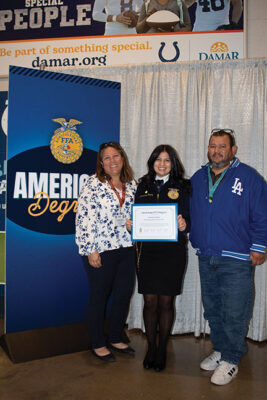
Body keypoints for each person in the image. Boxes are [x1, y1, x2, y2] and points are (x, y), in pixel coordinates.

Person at [190, 129, 267, 385]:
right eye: (212, 146)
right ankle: (221, 350)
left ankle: (232, 359)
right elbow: (188, 212)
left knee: (235, 311)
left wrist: (259, 245)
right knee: (213, 309)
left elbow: (261, 215)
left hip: (236, 258)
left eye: (222, 146)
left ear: (233, 150)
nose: (216, 150)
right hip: (206, 254)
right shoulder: (198, 178)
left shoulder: (249, 178)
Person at [127, 144, 191, 372]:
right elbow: (134, 213)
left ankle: (162, 348)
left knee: (166, 302)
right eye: (158, 159)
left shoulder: (183, 186)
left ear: (173, 163)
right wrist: (130, 224)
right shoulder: (141, 184)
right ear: (152, 161)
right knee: (149, 301)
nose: (162, 164)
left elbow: (191, 218)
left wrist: (185, 224)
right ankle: (150, 347)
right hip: (146, 253)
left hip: (172, 253)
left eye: (167, 160)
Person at [75, 142, 137, 362]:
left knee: (123, 295)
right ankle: (98, 342)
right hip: (100, 249)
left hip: (126, 248)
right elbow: (83, 218)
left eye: (116, 156)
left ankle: (115, 336)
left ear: (123, 158)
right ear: (101, 162)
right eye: (107, 158)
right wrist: (90, 250)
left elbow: (136, 214)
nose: (112, 161)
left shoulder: (132, 184)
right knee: (99, 296)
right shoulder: (93, 183)